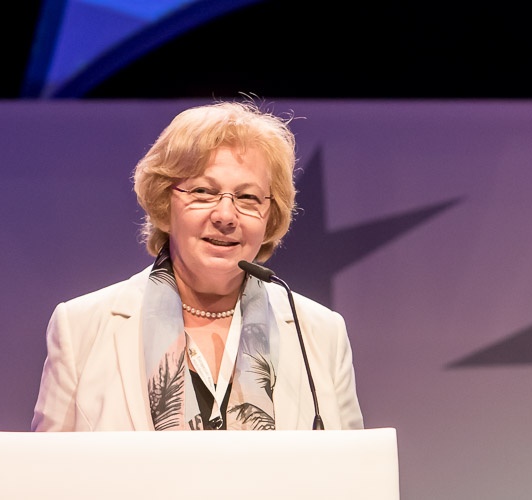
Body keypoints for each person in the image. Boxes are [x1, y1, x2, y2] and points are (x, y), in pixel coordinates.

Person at [31, 99, 363, 431]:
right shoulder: (81, 327)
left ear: (270, 216)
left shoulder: (322, 334)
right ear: (165, 203)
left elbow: (355, 462)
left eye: (247, 197)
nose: (225, 216)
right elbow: (46, 463)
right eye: (203, 191)